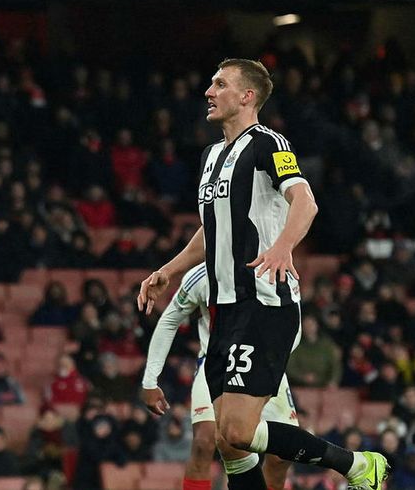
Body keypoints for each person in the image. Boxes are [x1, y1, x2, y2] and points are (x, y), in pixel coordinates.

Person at [138, 58, 389, 490]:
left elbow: (305, 201)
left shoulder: (268, 144)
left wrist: (282, 247)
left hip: (265, 303)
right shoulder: (211, 155)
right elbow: (211, 229)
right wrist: (168, 270)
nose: (208, 91)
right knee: (230, 444)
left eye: (220, 84)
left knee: (235, 432)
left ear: (247, 96)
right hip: (225, 309)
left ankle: (357, 465)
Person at [141, 262, 296, 490]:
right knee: (205, 441)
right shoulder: (202, 275)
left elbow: (294, 320)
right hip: (215, 364)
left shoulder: (271, 270)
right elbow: (170, 319)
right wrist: (150, 380)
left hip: (264, 363)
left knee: (282, 456)